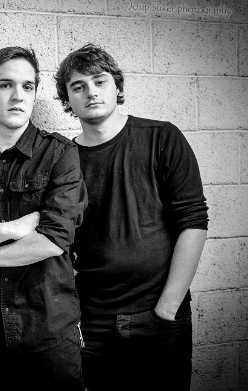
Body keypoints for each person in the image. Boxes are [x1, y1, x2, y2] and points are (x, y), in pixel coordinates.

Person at [54, 43, 209, 391]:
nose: (91, 92)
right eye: (78, 86)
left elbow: (194, 222)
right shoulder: (64, 158)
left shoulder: (161, 137)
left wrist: (167, 307)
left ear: (117, 86)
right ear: (67, 99)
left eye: (100, 81)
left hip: (158, 314)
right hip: (91, 321)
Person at [0, 46, 87, 391]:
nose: (18, 96)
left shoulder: (60, 153)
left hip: (49, 329)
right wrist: (13, 229)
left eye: (27, 86)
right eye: (6, 85)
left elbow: (52, 240)